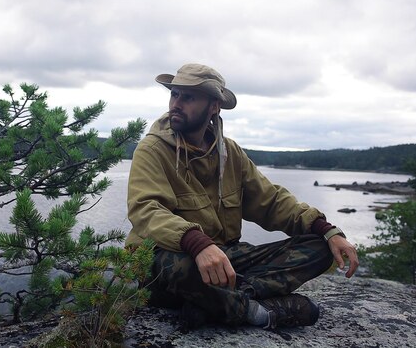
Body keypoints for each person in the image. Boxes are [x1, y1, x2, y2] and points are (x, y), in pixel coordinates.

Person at [125, 63, 359, 330]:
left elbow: (271, 201)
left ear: (214, 106)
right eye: (174, 94)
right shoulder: (152, 149)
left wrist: (328, 231)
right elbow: (146, 210)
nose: (176, 103)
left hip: (224, 258)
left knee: (319, 247)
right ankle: (257, 312)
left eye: (188, 97)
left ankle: (216, 301)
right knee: (179, 267)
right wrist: (197, 244)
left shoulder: (229, 153)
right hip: (167, 260)